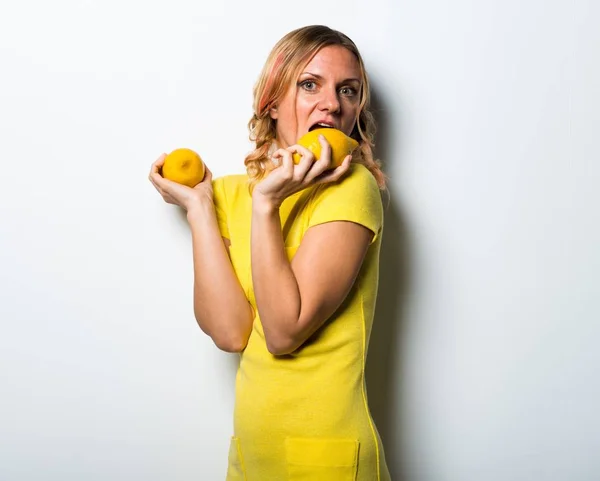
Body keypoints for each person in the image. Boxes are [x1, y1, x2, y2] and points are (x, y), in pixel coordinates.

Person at [149, 25, 391, 481]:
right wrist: (200, 209)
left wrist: (267, 206)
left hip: (329, 460)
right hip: (253, 458)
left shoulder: (352, 189)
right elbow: (231, 332)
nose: (333, 104)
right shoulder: (230, 194)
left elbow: (283, 333)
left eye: (348, 91)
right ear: (272, 102)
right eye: (309, 84)